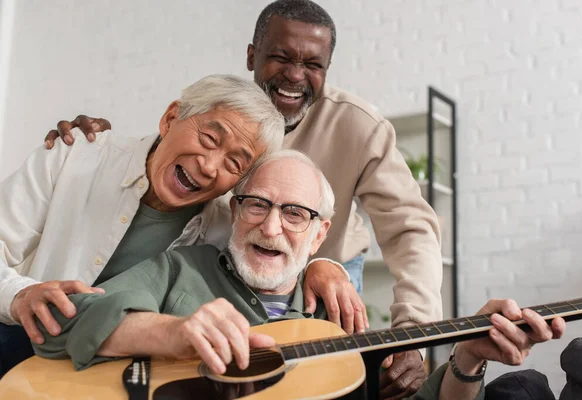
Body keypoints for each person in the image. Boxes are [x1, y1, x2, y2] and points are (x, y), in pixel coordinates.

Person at [44, 1, 443, 395]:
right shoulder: (228, 116)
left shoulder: (359, 126)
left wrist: (413, 330)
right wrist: (106, 150)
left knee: (330, 384)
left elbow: (411, 228)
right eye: (280, 57)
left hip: (326, 268)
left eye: (312, 65)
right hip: (235, 265)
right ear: (252, 56)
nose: (294, 76)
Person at [32, 151, 566, 400]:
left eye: (294, 214)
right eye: (256, 205)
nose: (270, 226)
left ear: (318, 234)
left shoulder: (340, 318)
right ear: (234, 211)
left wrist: (468, 357)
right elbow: (68, 320)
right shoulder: (181, 268)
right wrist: (172, 333)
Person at [0, 75, 362, 377]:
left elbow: (276, 249)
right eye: (209, 139)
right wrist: (18, 295)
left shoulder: (227, 221)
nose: (208, 166)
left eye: (235, 162)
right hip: (15, 331)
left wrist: (323, 266)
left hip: (107, 372)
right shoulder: (73, 155)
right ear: (171, 118)